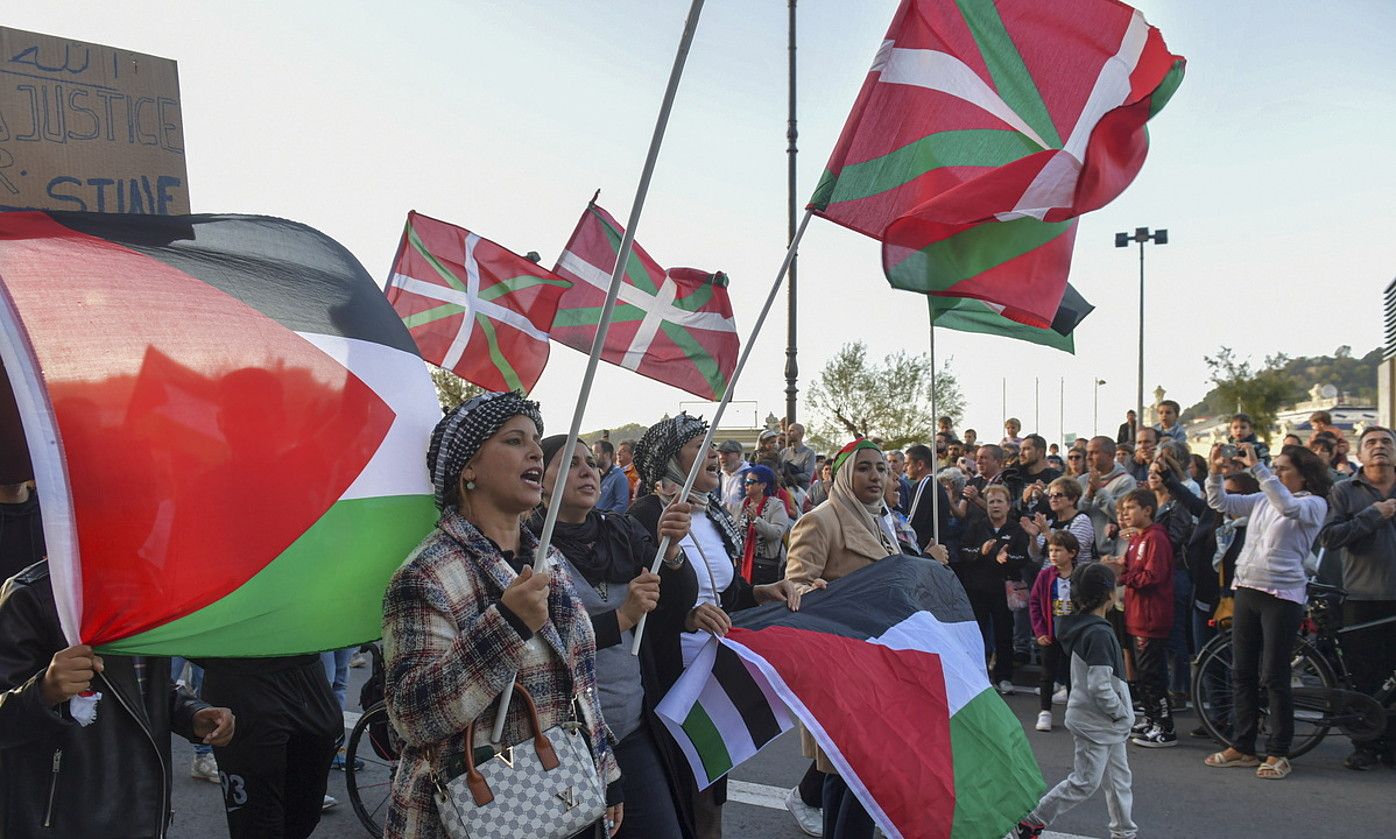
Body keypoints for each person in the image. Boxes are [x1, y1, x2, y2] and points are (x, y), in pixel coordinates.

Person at [382, 392, 622, 838]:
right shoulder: (426, 574)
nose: (535, 451)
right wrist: (506, 625)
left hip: (564, 797)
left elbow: (579, 683)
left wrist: (606, 773)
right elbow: (413, 717)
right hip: (477, 817)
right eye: (514, 441)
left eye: (535, 439)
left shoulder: (545, 557)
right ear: (468, 468)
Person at [629, 413, 801, 838]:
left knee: (711, 784)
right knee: (678, 784)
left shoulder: (715, 516)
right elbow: (640, 603)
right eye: (700, 446)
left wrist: (766, 590)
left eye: (714, 445)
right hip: (669, 670)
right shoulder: (644, 515)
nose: (715, 453)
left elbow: (731, 593)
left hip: (715, 668)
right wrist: (686, 617)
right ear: (671, 459)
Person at [529, 435, 698, 838]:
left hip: (630, 730)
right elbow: (543, 641)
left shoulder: (620, 529)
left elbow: (674, 602)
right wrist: (622, 618)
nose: (588, 471)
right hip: (563, 742)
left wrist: (671, 552)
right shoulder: (527, 548)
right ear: (540, 478)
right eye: (570, 463)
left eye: (590, 462)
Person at [0, 560, 236, 837]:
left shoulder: (148, 586)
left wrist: (192, 714)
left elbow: (148, 687)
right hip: (60, 822)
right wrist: (44, 690)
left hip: (144, 812)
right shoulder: (29, 594)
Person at [784, 439, 940, 839]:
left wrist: (927, 566)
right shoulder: (820, 520)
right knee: (857, 778)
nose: (875, 476)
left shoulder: (881, 521)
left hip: (883, 667)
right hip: (844, 671)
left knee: (857, 781)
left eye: (881, 469)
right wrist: (813, 592)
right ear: (842, 474)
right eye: (864, 468)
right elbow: (795, 588)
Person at [1204, 442, 1330, 779]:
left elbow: (1288, 508)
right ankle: (1242, 746)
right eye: (1274, 467)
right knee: (1242, 671)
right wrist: (1215, 472)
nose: (1276, 472)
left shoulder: (1314, 504)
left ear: (1304, 474)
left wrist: (1258, 470)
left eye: (1283, 468)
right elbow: (1221, 502)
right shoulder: (1262, 498)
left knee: (1274, 676)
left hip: (1283, 595)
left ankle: (1279, 751)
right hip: (1247, 588)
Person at [1015, 563, 1136, 839]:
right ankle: (1033, 820)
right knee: (1086, 781)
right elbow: (1100, 685)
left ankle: (1124, 832)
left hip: (1098, 721)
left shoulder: (1082, 627)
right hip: (1098, 721)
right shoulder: (1099, 633)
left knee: (1118, 780)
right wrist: (1121, 713)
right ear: (1108, 595)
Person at [1319, 425, 1396, 769]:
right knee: (1366, 677)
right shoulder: (1343, 491)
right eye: (1371, 443)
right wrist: (1373, 515)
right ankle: (1366, 744)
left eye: (1386, 442)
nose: (1379, 447)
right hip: (1362, 598)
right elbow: (1330, 538)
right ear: (1359, 455)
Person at [1101, 489, 1175, 748]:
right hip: (1136, 613)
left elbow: (1152, 576)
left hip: (1151, 615)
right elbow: (1132, 566)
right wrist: (1118, 564)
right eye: (1124, 509)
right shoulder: (1137, 538)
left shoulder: (1155, 538)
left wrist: (1123, 576)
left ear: (1148, 510)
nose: (1126, 514)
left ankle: (1165, 726)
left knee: (1153, 673)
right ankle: (1152, 717)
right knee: (1143, 673)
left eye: (1132, 508)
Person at [957, 484, 1029, 695]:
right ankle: (979, 676)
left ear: (1008, 506)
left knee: (1004, 635)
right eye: (991, 502)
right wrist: (981, 551)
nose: (995, 506)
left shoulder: (1016, 530)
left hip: (1004, 592)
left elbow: (1022, 557)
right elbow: (964, 552)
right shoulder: (977, 526)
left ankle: (1004, 677)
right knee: (977, 634)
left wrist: (1005, 559)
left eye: (999, 501)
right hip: (978, 589)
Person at [1030, 530, 1082, 732]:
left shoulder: (1080, 575)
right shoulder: (1045, 576)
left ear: (1072, 553)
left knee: (1073, 675)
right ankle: (1045, 712)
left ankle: (1074, 712)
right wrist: (1040, 631)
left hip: (1073, 634)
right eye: (1050, 550)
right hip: (1051, 633)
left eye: (1058, 550)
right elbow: (1035, 603)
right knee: (1047, 673)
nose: (1053, 554)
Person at [1080, 436, 1137, 560]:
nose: (1088, 457)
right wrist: (1089, 496)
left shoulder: (1126, 481)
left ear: (1110, 455)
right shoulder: (1083, 480)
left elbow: (1122, 515)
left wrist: (1099, 491)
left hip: (1110, 555)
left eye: (1094, 453)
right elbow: (1076, 512)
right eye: (1087, 453)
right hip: (1084, 553)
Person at [737, 464, 793, 585]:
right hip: (744, 562)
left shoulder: (776, 505)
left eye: (750, 481)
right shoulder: (743, 504)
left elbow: (776, 533)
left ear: (763, 485)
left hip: (765, 565)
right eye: (745, 481)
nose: (745, 484)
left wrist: (756, 520)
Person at [1023, 476, 1097, 567]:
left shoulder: (1082, 521)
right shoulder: (1050, 523)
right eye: (1050, 496)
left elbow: (1070, 552)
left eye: (1058, 495)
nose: (1053, 499)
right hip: (1049, 577)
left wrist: (1046, 532)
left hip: (1073, 577)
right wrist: (1033, 537)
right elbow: (1035, 556)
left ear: (1073, 499)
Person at [905, 443, 951, 553]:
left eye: (907, 464)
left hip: (928, 548)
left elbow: (913, 521)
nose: (905, 468)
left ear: (920, 464)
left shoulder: (925, 483)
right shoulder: (933, 484)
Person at [594, 438, 632, 514]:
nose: (592, 457)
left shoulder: (619, 477)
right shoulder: (594, 475)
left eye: (596, 454)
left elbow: (622, 506)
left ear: (606, 455)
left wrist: (603, 518)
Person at [716, 439, 749, 518]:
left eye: (727, 454)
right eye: (720, 453)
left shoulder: (751, 474)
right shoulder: (718, 475)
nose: (722, 457)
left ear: (738, 455)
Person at [781, 422, 817, 491]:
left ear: (800, 433)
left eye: (791, 431)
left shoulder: (809, 453)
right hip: (785, 490)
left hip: (801, 493)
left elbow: (808, 476)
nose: (788, 433)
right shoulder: (784, 452)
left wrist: (791, 477)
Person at [886, 449, 914, 514]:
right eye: (889, 461)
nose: (891, 464)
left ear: (903, 462)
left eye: (895, 461)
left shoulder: (911, 481)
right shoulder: (884, 482)